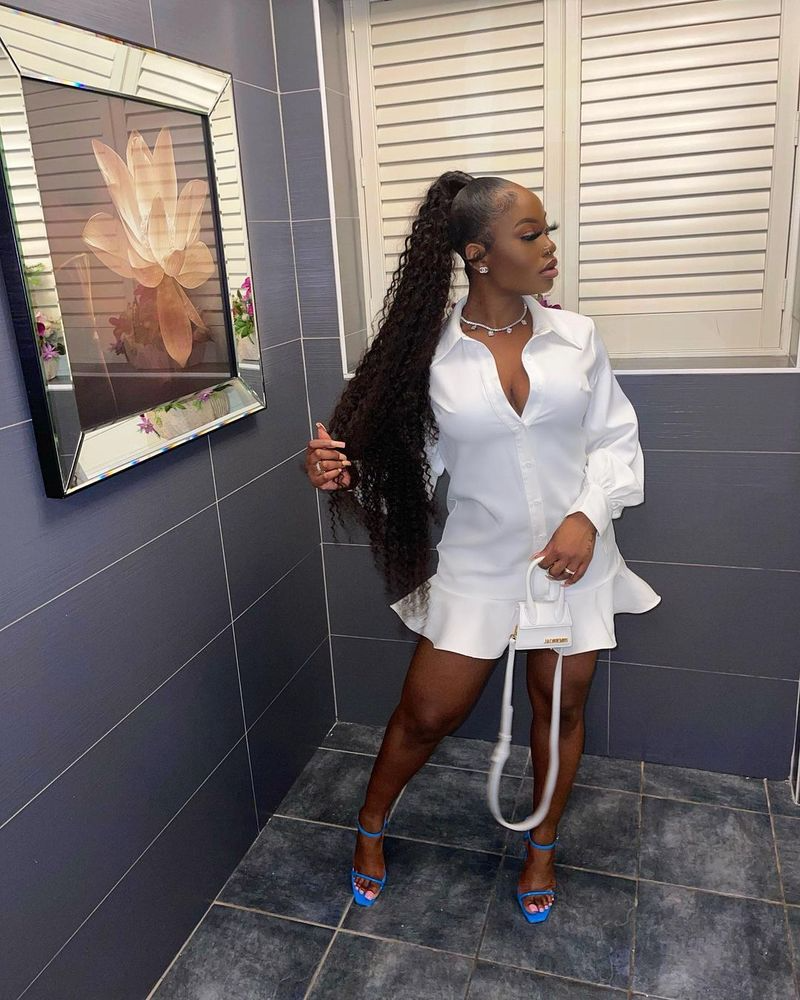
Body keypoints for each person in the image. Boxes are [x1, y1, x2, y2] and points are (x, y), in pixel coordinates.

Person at [304, 172, 661, 921]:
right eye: (531, 234)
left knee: (560, 709)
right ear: (479, 255)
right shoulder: (428, 361)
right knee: (426, 714)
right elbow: (407, 474)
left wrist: (588, 516)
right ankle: (370, 826)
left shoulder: (577, 338)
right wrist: (341, 473)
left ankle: (542, 848)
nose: (550, 246)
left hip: (575, 560)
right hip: (480, 564)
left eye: (547, 229)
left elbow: (616, 442)